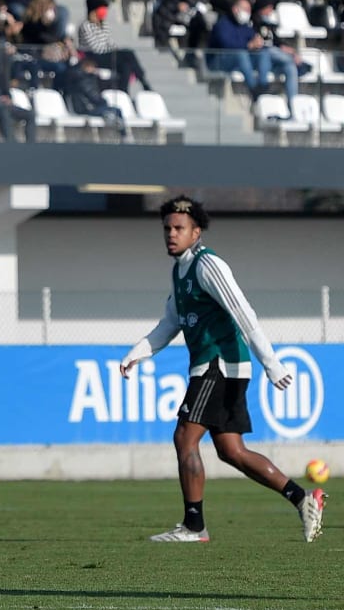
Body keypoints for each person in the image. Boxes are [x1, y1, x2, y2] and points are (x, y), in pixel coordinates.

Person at [120, 195, 326, 544]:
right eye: (167, 228)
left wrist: (272, 364)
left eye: (179, 228)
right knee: (232, 451)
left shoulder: (207, 264)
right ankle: (303, 498)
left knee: (185, 436)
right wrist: (138, 352)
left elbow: (244, 313)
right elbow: (170, 323)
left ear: (196, 232)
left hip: (220, 364)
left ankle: (194, 527)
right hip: (217, 367)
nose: (171, 234)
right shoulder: (179, 270)